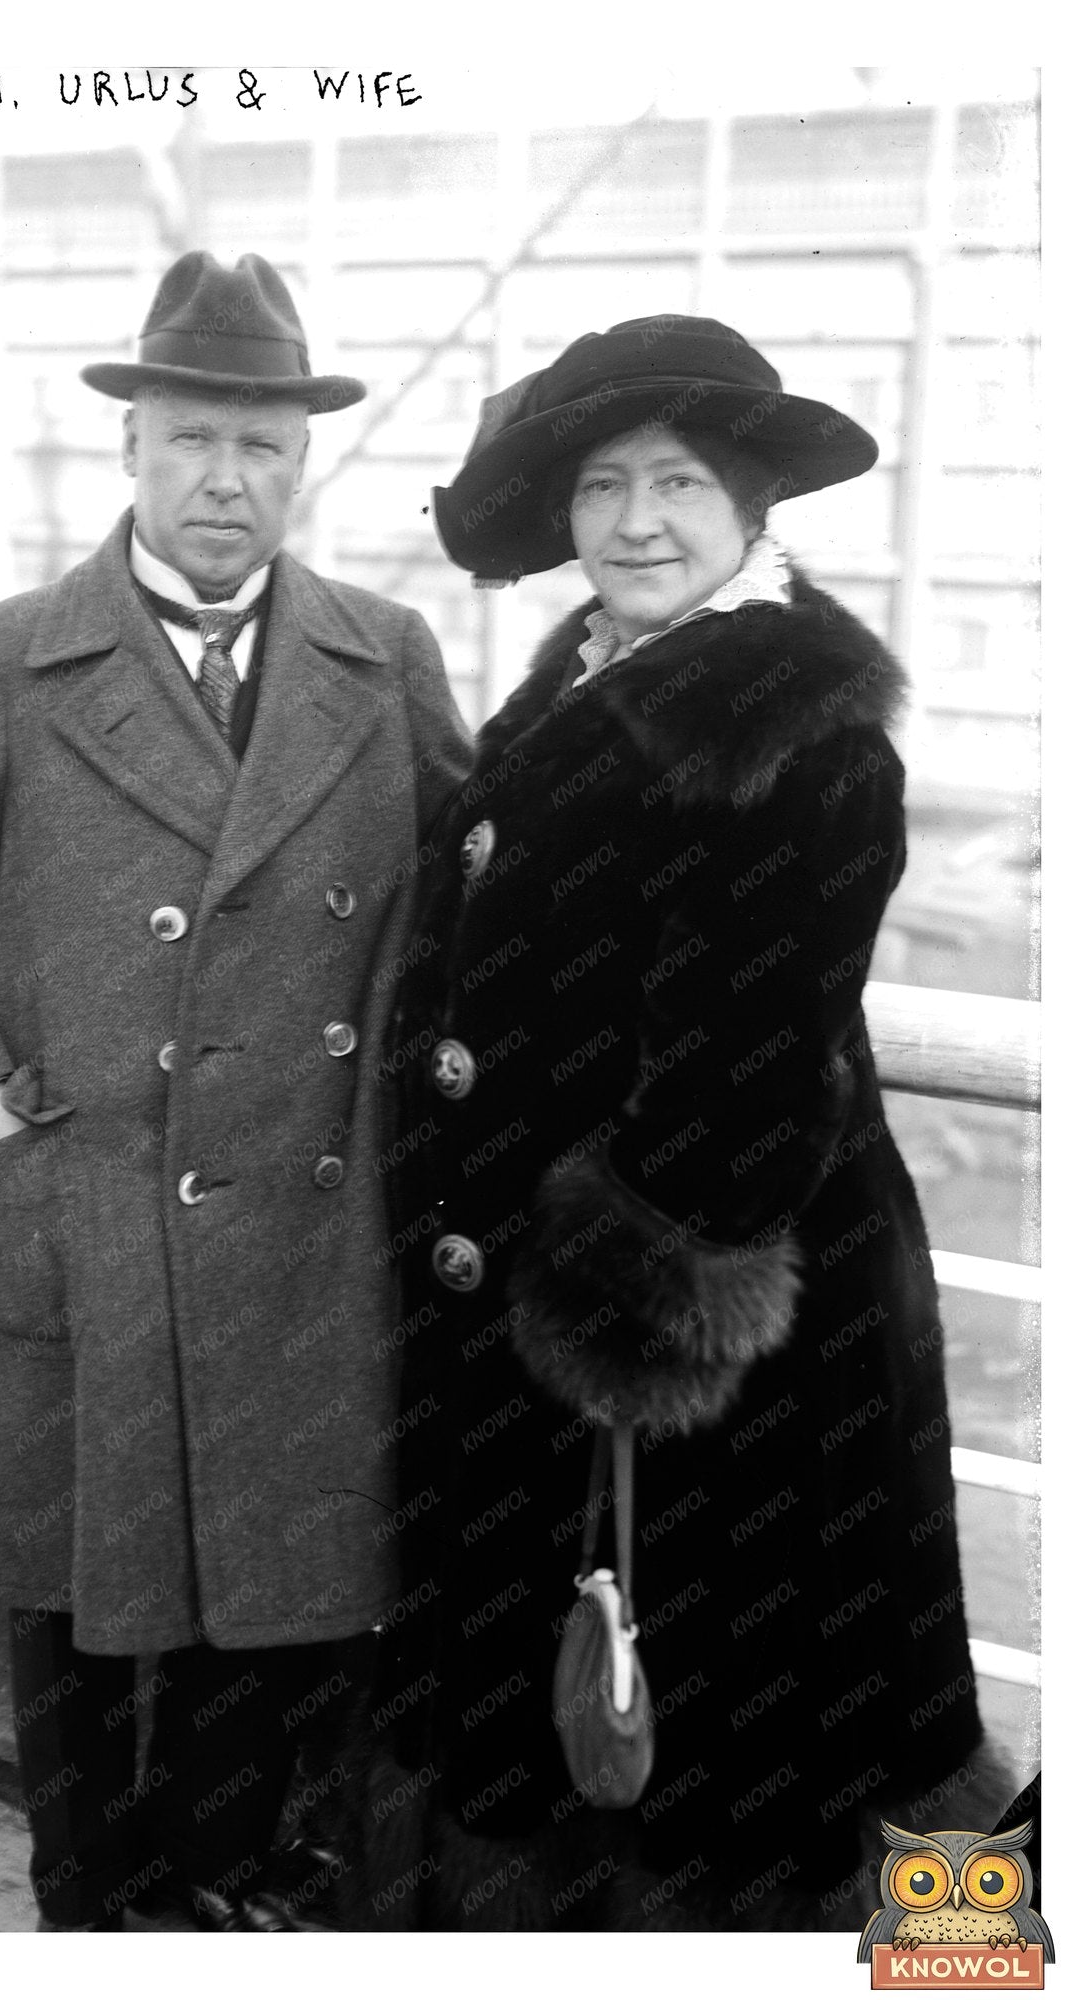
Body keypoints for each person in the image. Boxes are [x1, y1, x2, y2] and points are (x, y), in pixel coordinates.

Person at [0, 251, 471, 1932]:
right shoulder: (4, 664)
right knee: (76, 1655)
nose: (224, 481)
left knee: (271, 1655)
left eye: (260, 448)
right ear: (128, 451)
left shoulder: (383, 658)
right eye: (191, 440)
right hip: (86, 1229)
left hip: (309, 1259)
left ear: (301, 463)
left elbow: (481, 924)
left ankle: (230, 1911)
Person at [387, 314, 985, 1921]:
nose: (634, 520)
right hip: (581, 1309)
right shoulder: (611, 669)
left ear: (752, 510)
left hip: (693, 1343)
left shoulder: (793, 735)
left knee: (731, 1724)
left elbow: (740, 1070)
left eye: (677, 482)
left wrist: (609, 1325)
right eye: (598, 484)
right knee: (629, 1700)